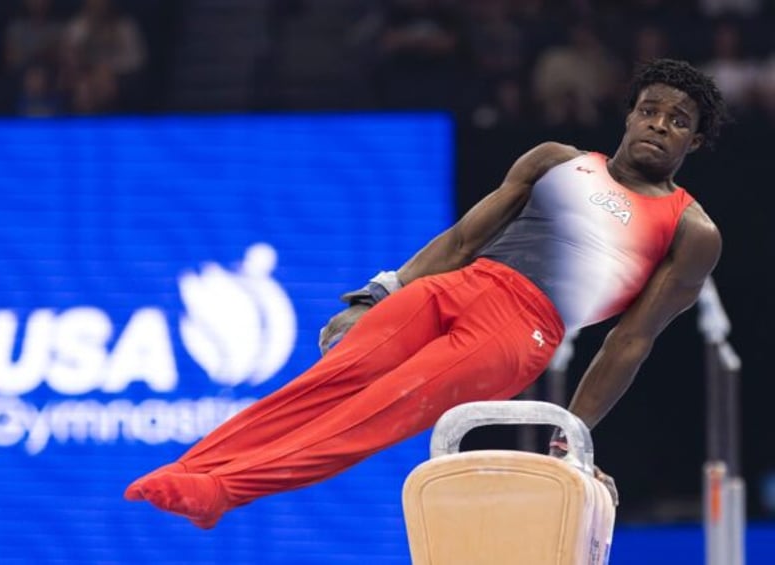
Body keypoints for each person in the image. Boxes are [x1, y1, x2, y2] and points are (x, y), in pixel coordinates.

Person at [124, 58, 728, 530]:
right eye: (651, 110)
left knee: (374, 412)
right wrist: (382, 291)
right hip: (457, 285)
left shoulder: (688, 229)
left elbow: (630, 342)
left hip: (521, 331)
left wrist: (573, 431)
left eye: (679, 122)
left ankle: (225, 490)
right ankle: (192, 466)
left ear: (694, 144)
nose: (660, 125)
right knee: (325, 382)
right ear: (628, 115)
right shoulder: (555, 160)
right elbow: (466, 237)